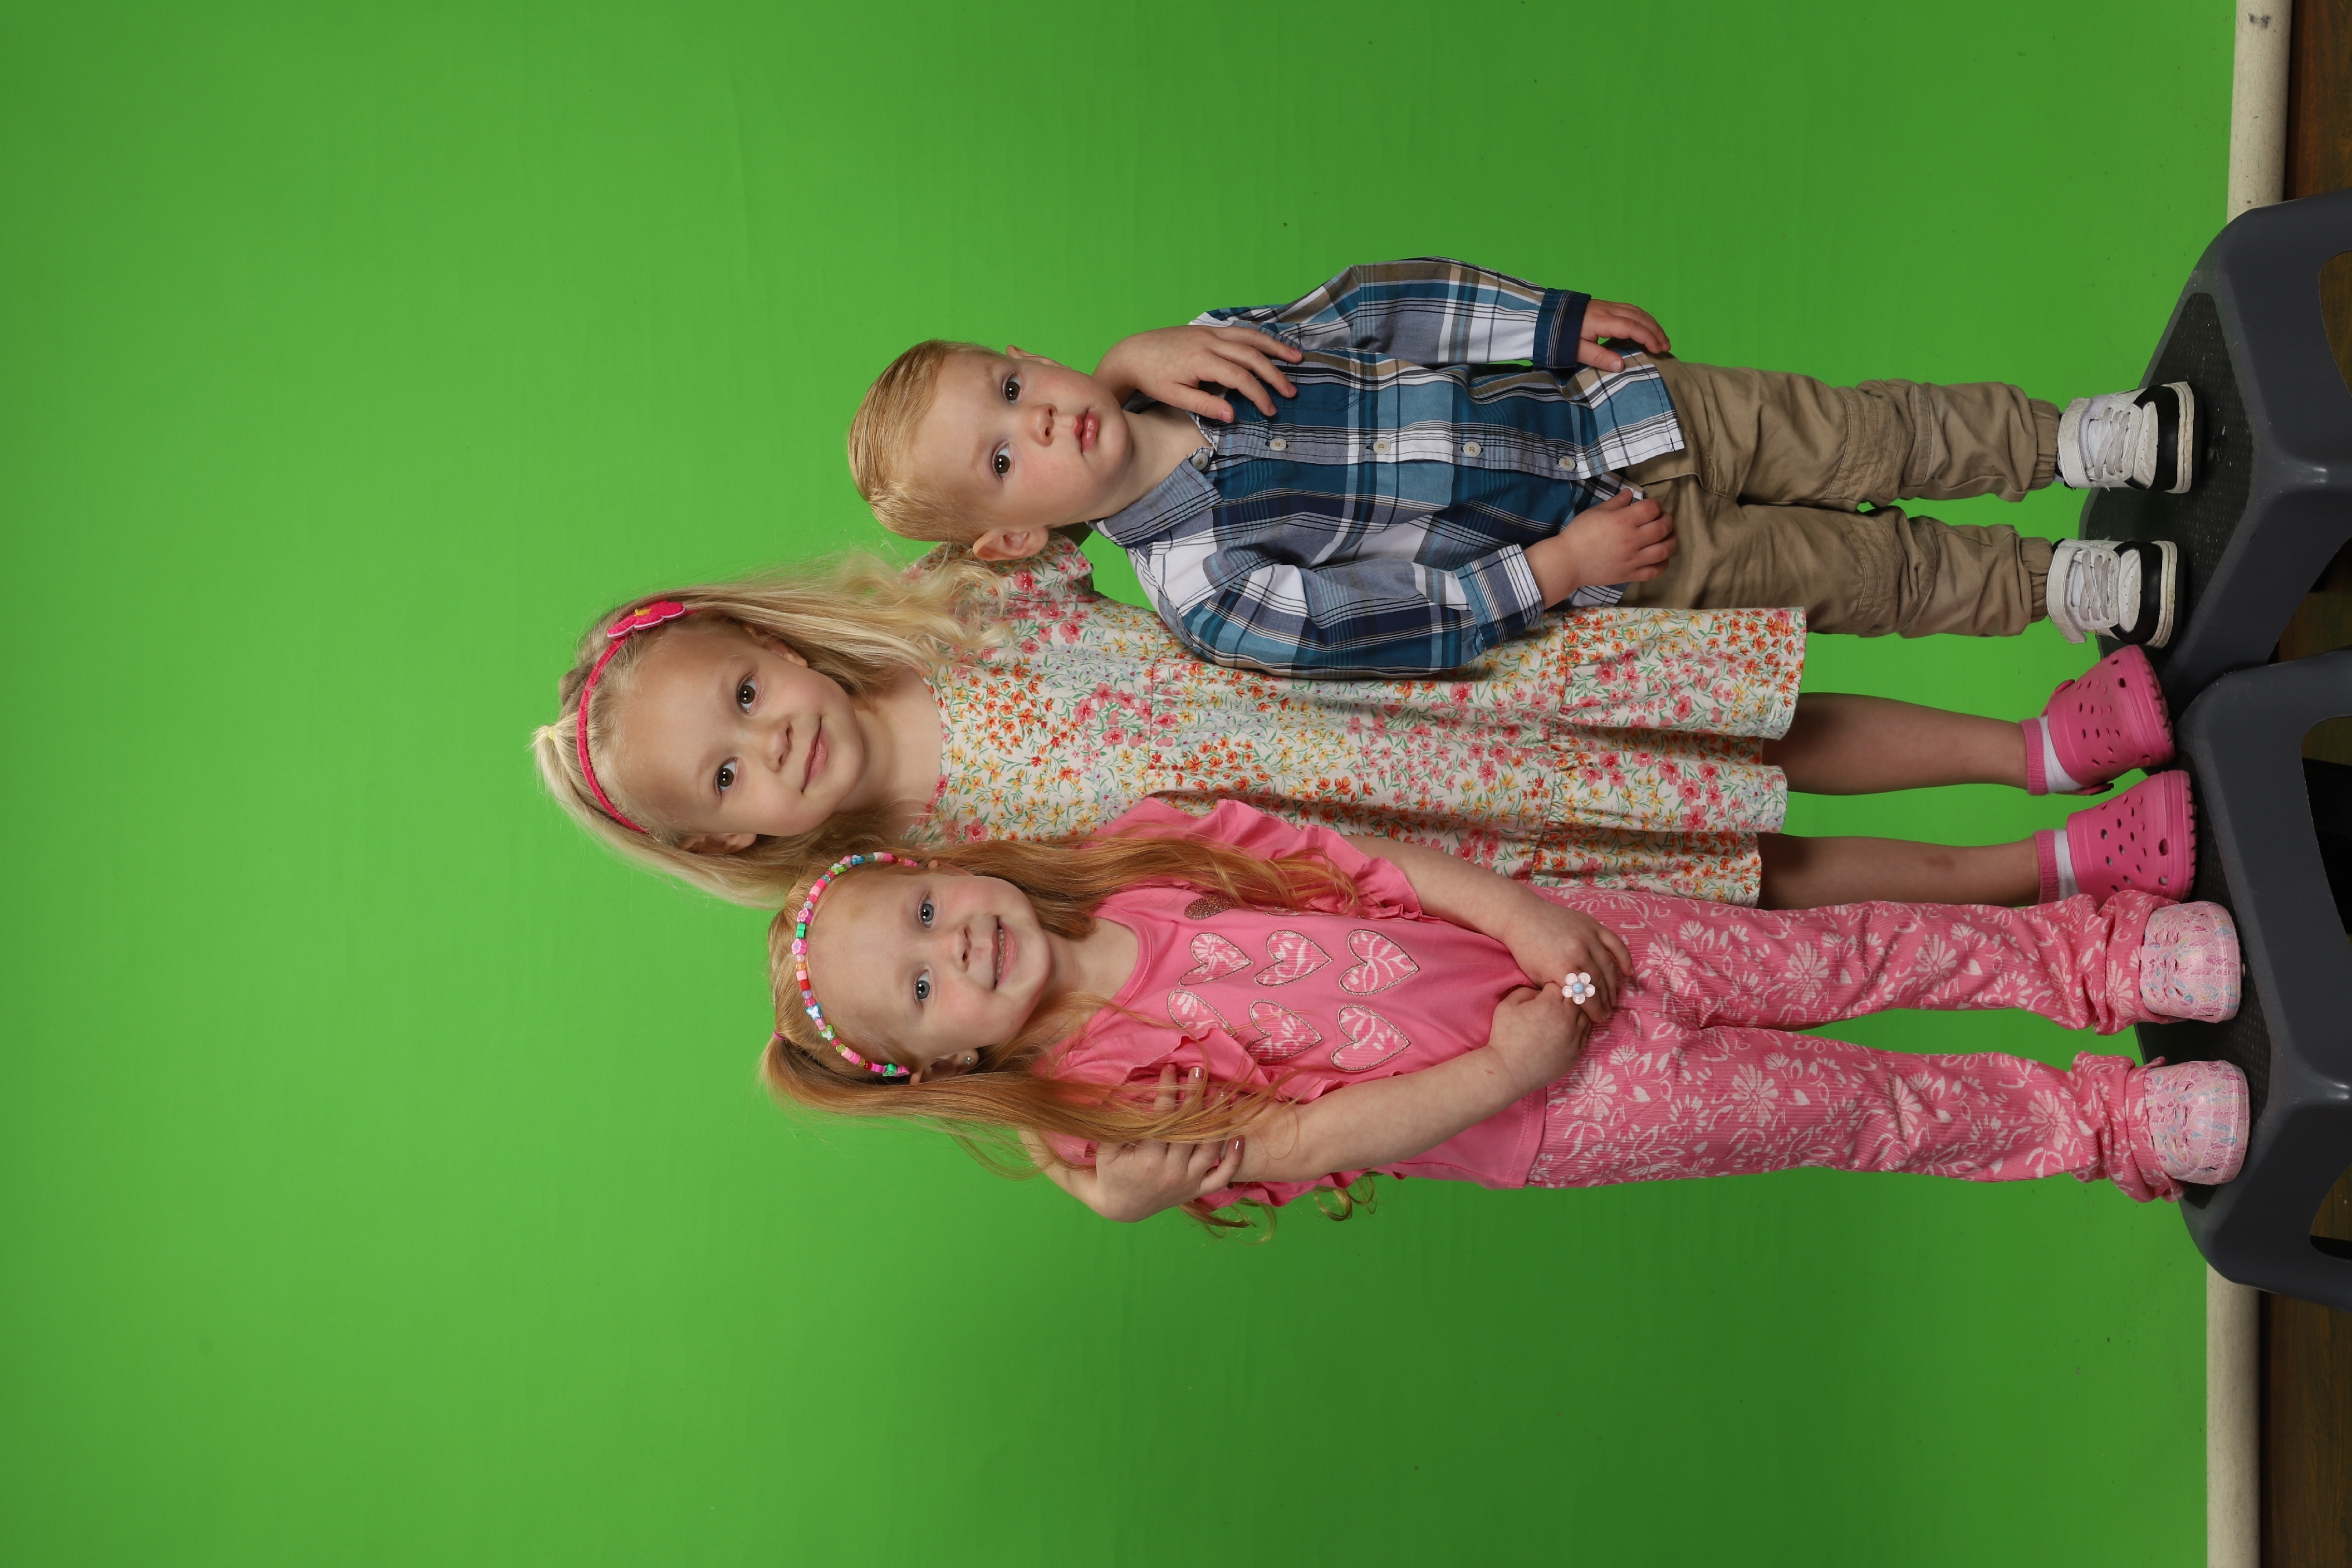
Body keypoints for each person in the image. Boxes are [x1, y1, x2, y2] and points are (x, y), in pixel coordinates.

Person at [759, 798, 2248, 1229]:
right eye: (926, 984)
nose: (962, 944)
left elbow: (1357, 857)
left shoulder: (1136, 850)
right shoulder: (1107, 1106)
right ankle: (2109, 1118)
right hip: (1553, 1106)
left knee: (1846, 952)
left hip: (1587, 944)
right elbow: (1307, 1138)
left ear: (947, 862)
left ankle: (2096, 959)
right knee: (1856, 1108)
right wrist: (1503, 1068)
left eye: (929, 908)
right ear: (949, 1059)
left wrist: (1523, 914)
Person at [532, 540, 2193, 910]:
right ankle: (2045, 869)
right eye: (729, 771)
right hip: (1412, 841)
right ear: (737, 834)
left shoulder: (957, 596)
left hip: (1414, 679)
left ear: (770, 639)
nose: (772, 739)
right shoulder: (925, 878)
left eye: (744, 693)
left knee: (1748, 722)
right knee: (1751, 866)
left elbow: (1115, 458)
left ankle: (2039, 750)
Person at [847, 258, 2186, 676]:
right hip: (1616, 551)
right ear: (1011, 538)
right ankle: (2053, 583)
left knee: (1855, 431)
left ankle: (2065, 439)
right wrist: (1551, 569)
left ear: (1028, 356)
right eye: (1004, 460)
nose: (1042, 424)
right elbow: (1378, 625)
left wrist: (1549, 323)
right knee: (1843, 573)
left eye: (1011, 391)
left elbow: (1379, 307)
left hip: (1614, 409)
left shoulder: (1205, 348)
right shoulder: (1203, 588)